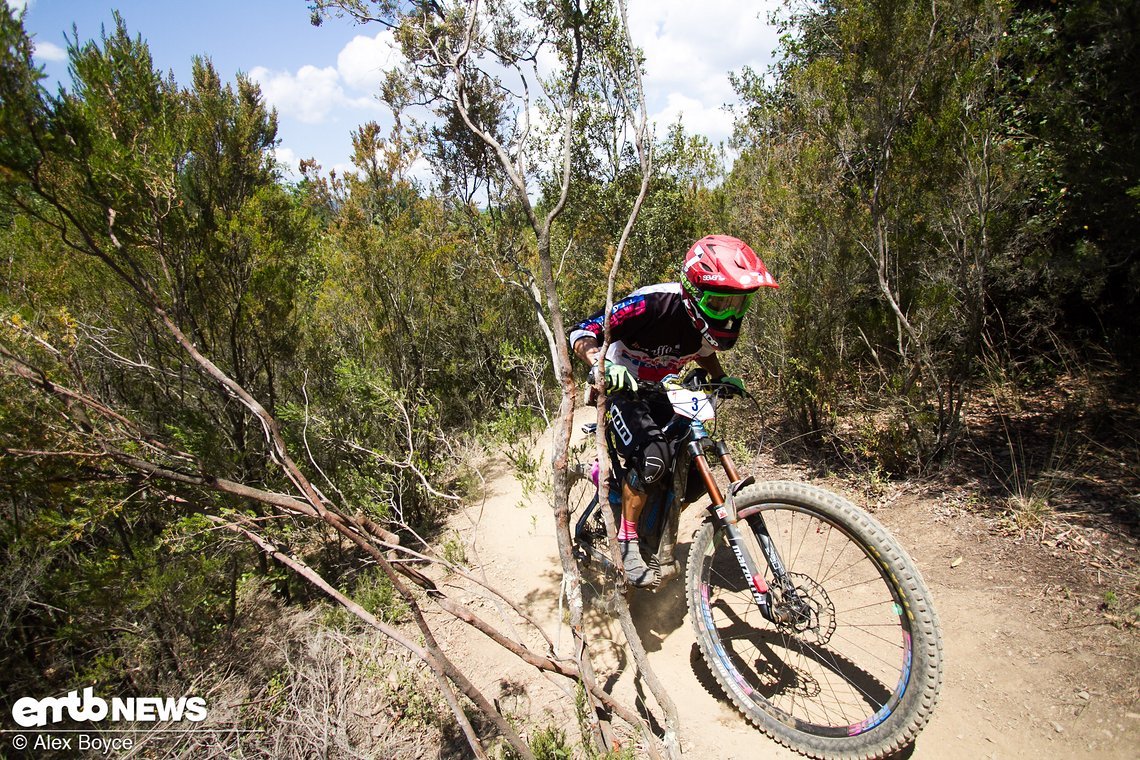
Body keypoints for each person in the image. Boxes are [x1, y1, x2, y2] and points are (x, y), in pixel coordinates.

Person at [569, 234, 778, 586]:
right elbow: (583, 330)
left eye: (737, 305)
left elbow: (704, 349)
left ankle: (654, 520)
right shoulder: (651, 304)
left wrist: (721, 379)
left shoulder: (704, 327)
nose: (729, 315)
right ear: (694, 291)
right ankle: (628, 539)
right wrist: (599, 365)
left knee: (690, 469)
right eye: (721, 303)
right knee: (652, 457)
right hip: (622, 390)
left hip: (662, 391)